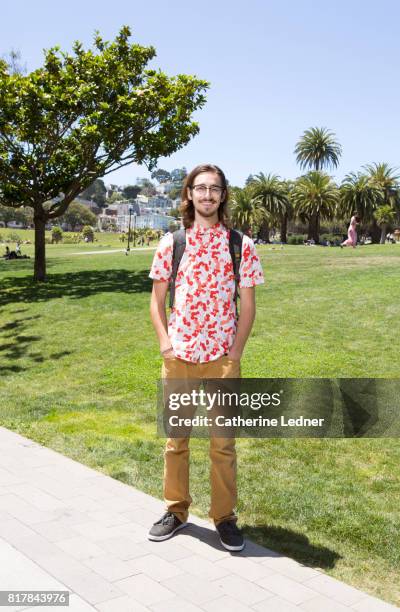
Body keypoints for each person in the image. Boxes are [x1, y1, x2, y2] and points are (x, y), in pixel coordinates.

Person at [148, 163, 264, 551]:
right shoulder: (172, 243)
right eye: (201, 188)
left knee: (223, 444)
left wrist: (235, 352)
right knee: (176, 440)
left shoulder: (240, 245)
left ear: (223, 195)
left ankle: (224, 518)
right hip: (179, 357)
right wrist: (166, 343)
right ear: (189, 195)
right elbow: (157, 300)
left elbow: (247, 306)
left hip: (222, 358)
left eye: (215, 189)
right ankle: (176, 511)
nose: (208, 195)